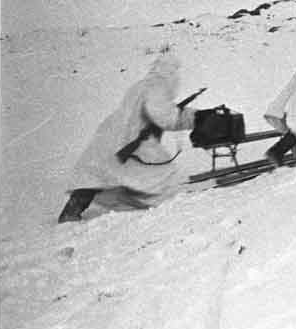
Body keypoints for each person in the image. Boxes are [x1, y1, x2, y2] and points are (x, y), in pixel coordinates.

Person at [58, 53, 201, 223]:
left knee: (98, 173)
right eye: (175, 71)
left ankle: (72, 210)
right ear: (170, 72)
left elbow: (158, 112)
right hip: (130, 138)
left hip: (113, 133)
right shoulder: (158, 86)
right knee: (159, 172)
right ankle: (142, 200)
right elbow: (163, 116)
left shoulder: (142, 84)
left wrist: (187, 115)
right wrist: (193, 117)